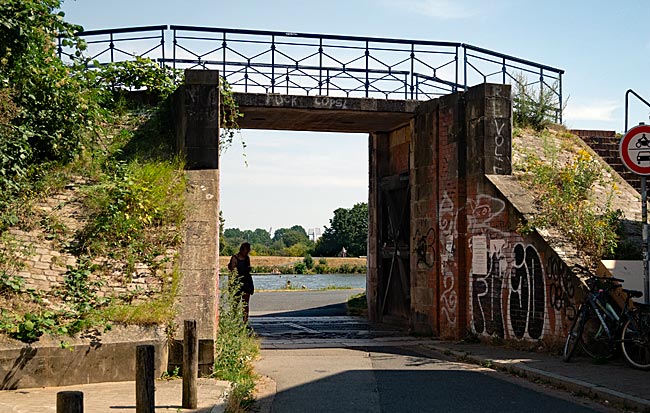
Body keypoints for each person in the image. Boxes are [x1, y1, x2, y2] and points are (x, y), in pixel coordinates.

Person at [227, 242, 255, 323]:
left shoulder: (247, 258)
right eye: (246, 251)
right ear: (242, 250)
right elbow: (232, 271)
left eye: (248, 251)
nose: (247, 253)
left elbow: (248, 268)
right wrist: (231, 284)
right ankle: (234, 321)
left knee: (245, 304)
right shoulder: (234, 258)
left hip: (246, 282)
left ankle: (245, 322)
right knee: (235, 303)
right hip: (237, 282)